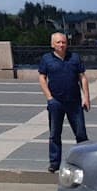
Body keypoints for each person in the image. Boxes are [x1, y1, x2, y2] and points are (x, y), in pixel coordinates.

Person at [38, 30, 90, 172]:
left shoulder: (74, 58)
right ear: (52, 44)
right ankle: (54, 163)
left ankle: (84, 161)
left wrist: (86, 97)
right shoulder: (46, 59)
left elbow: (82, 77)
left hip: (74, 102)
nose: (61, 45)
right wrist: (49, 97)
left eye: (64, 42)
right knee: (55, 134)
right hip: (56, 102)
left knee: (81, 134)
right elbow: (42, 78)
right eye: (58, 42)